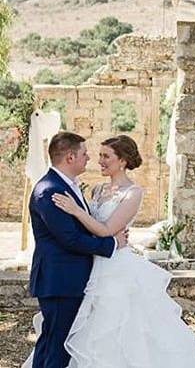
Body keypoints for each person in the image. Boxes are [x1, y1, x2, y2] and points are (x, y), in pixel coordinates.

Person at [23, 134, 195, 368]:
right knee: (64, 339)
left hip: (112, 270)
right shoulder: (89, 190)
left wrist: (82, 215)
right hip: (82, 271)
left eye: (105, 156)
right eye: (92, 154)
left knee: (113, 331)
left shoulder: (132, 193)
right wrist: (110, 241)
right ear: (70, 157)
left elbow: (106, 229)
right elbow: (75, 236)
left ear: (122, 161)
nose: (96, 159)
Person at [23, 132, 127, 368]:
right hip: (61, 280)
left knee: (51, 342)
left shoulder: (67, 186)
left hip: (67, 279)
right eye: (84, 154)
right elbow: (70, 239)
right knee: (59, 347)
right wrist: (112, 244)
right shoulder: (50, 190)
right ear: (70, 157)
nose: (89, 158)